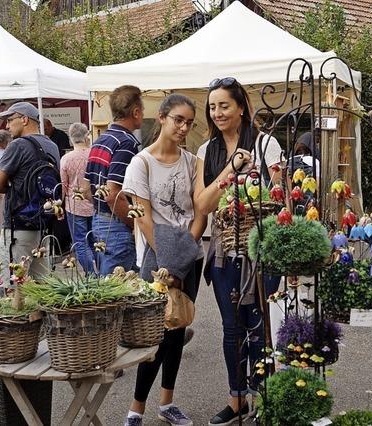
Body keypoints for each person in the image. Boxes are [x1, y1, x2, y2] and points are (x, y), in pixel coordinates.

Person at [193, 77, 282, 425]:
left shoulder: (266, 144)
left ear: (242, 107)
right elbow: (203, 204)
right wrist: (232, 169)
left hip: (261, 249)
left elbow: (279, 195)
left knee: (260, 328)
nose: (217, 113)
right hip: (224, 251)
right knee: (231, 329)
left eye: (224, 105)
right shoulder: (206, 152)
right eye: (212, 107)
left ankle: (264, 397)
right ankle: (237, 399)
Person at [122, 94, 207, 426]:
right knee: (155, 333)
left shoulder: (193, 163)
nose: (184, 127)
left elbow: (200, 212)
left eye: (189, 122)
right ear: (161, 118)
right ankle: (136, 408)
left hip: (189, 256)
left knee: (178, 328)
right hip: (157, 259)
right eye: (178, 120)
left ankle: (167, 403)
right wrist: (168, 265)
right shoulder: (140, 163)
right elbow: (142, 217)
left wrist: (184, 256)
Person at [0, 102, 60, 284]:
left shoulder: (17, 145)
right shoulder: (51, 145)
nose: (6, 125)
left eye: (10, 119)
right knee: (39, 288)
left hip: (17, 227)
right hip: (43, 225)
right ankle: (37, 315)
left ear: (24, 119)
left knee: (14, 288)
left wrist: (15, 188)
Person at [85, 85, 144, 276]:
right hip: (117, 225)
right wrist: (134, 224)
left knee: (107, 287)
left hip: (99, 221)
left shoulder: (100, 140)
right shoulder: (127, 143)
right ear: (135, 112)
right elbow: (113, 194)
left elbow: (87, 189)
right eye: (142, 109)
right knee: (120, 291)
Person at [60, 123, 96, 274]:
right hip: (94, 203)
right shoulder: (94, 155)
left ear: (71, 138)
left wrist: (59, 205)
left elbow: (63, 184)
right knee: (96, 242)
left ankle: (91, 275)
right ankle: (102, 271)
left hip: (74, 205)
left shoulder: (66, 159)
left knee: (80, 242)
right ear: (87, 135)